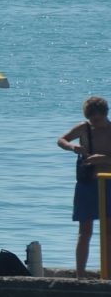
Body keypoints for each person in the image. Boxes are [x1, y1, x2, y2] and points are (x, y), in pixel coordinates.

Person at [60, 96, 111, 279]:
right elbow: (62, 140)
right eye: (91, 120)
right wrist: (73, 147)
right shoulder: (84, 127)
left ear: (105, 114)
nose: (94, 123)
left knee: (108, 232)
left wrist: (103, 159)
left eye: (97, 119)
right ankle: (80, 275)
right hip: (87, 183)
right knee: (85, 231)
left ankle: (108, 275)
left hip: (108, 182)